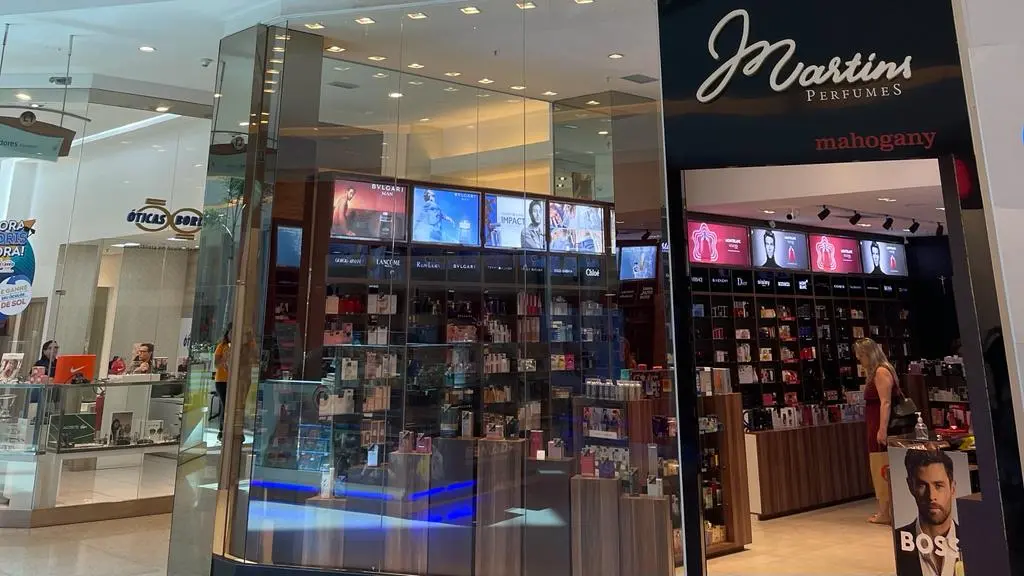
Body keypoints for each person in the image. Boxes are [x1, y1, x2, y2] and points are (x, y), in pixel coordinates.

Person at [895, 449, 962, 576]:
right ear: (911, 487)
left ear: (952, 488)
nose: (931, 496)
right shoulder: (898, 541)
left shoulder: (973, 541)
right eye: (922, 485)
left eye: (938, 485)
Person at [855, 337, 899, 525]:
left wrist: (882, 429)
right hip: (876, 423)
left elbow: (885, 402)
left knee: (881, 466)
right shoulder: (881, 370)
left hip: (880, 425)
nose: (859, 359)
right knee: (881, 467)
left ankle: (885, 512)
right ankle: (884, 510)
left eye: (861, 355)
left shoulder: (881, 371)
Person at [214, 325, 232, 441]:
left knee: (229, 406)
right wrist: (225, 358)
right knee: (225, 405)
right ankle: (222, 431)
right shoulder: (221, 346)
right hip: (222, 380)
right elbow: (216, 364)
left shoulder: (239, 347)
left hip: (233, 380)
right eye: (231, 333)